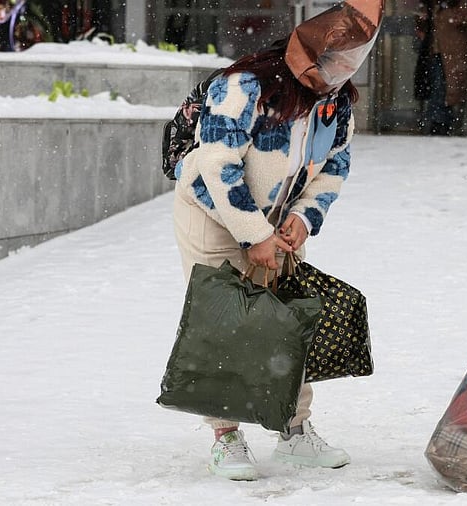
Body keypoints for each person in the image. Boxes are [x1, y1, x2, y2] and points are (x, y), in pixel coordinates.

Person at [171, 0, 383, 481]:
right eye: (337, 60)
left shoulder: (336, 102)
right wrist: (253, 234)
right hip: (212, 211)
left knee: (286, 321)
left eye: (353, 61)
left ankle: (294, 431)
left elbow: (335, 166)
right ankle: (226, 435)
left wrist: (305, 218)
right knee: (224, 320)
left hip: (280, 221)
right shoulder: (243, 87)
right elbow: (216, 166)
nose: (343, 71)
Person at [414, 0, 467, 135]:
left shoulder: (454, 5)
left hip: (451, 53)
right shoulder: (434, 6)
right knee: (438, 87)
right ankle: (439, 121)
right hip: (437, 52)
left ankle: (440, 121)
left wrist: (457, 19)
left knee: (445, 88)